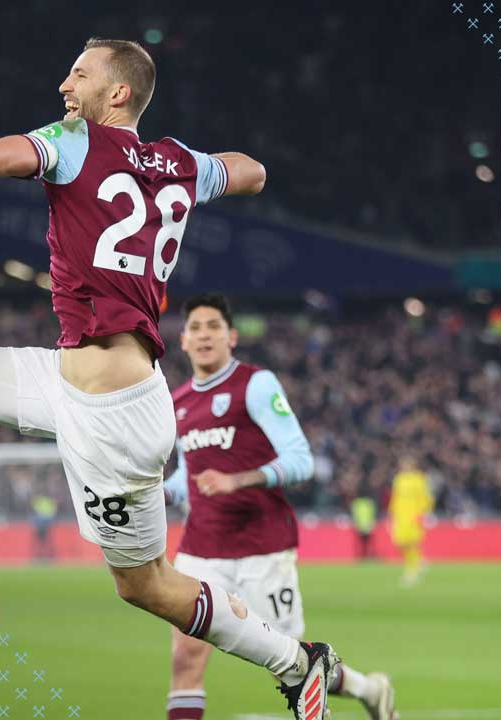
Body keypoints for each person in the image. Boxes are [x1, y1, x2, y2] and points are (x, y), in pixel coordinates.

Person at [0, 38, 336, 720]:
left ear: (116, 94)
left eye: (79, 74)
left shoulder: (75, 140)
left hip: (112, 414)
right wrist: (197, 171)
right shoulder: (175, 162)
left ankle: (295, 662)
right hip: (74, 373)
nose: (65, 84)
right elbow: (253, 172)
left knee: (145, 586)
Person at [163, 293, 396, 720]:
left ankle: (368, 689)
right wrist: (163, 493)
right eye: (195, 328)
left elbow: (300, 458)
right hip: (201, 547)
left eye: (213, 326)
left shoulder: (255, 384)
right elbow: (187, 474)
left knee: (293, 667)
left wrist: (238, 480)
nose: (204, 335)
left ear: (231, 337)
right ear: (182, 341)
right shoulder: (177, 402)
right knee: (185, 656)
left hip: (262, 543)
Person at [388, 455, 432, 587]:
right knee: (401, 543)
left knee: (412, 543)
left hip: (413, 516)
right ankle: (419, 561)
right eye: (403, 464)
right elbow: (395, 497)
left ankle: (411, 572)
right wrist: (392, 512)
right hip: (401, 516)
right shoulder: (398, 479)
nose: (404, 466)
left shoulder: (419, 479)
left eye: (407, 464)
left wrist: (423, 513)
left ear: (413, 465)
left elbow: (425, 497)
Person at [351, 494, 377, 561]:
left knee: (363, 543)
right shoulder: (369, 503)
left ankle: (363, 556)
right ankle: (366, 556)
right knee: (367, 543)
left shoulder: (356, 504)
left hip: (360, 526)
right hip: (368, 526)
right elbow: (373, 514)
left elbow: (354, 515)